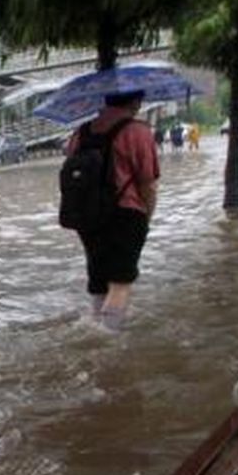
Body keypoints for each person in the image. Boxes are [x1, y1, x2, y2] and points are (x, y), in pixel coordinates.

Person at [65, 90, 160, 332]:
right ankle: (108, 338)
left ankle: (96, 326)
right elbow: (147, 182)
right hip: (125, 214)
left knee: (98, 282)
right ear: (135, 102)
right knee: (120, 282)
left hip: (87, 217)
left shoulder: (80, 133)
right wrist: (146, 217)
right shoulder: (138, 131)